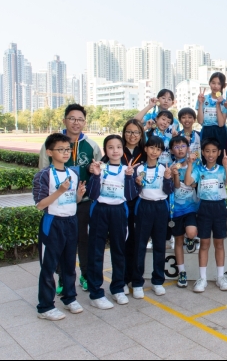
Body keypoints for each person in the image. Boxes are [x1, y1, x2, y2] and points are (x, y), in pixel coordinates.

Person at [38, 104, 102, 294]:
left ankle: (85, 275)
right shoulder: (51, 144)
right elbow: (42, 172)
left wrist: (92, 171)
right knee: (60, 243)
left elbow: (99, 172)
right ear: (64, 120)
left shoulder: (91, 145)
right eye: (72, 118)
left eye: (80, 119)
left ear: (85, 122)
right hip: (58, 203)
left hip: (84, 202)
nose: (76, 122)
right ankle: (62, 278)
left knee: (84, 241)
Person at [34, 133, 86, 321]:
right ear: (49, 152)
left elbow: (74, 201)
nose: (65, 153)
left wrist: (79, 195)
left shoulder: (73, 173)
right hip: (53, 222)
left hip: (71, 221)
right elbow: (40, 205)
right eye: (60, 149)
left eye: (67, 149)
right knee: (49, 266)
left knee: (69, 264)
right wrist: (60, 191)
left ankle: (69, 298)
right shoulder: (44, 175)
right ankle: (45, 307)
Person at [86, 135, 140, 310]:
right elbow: (92, 194)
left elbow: (130, 196)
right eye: (110, 147)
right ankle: (96, 293)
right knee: (96, 252)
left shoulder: (127, 169)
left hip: (119, 212)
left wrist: (130, 177)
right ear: (105, 150)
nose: (115, 150)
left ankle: (117, 287)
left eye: (118, 147)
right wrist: (95, 176)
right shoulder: (100, 168)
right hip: (100, 211)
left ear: (123, 149)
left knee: (119, 251)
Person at [185, 139, 227, 293]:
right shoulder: (199, 169)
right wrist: (190, 164)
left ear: (219, 152)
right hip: (204, 208)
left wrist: (226, 166)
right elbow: (188, 181)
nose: (210, 154)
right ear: (203, 152)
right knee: (204, 244)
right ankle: (202, 279)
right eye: (207, 151)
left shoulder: (222, 169)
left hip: (219, 207)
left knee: (219, 244)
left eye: (214, 151)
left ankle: (220, 277)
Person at [131, 136, 174, 299]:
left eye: (158, 149)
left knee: (159, 245)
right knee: (140, 245)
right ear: (146, 149)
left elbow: (169, 191)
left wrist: (168, 178)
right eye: (152, 148)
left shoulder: (164, 169)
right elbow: (133, 193)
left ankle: (157, 281)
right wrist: (137, 183)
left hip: (160, 207)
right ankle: (137, 283)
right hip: (144, 206)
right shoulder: (138, 168)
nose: (154, 152)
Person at [169, 136, 200, 288]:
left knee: (191, 232)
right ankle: (182, 272)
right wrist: (175, 174)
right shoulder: (170, 166)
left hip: (191, 207)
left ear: (188, 148)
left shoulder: (196, 163)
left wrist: (189, 166)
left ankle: (191, 239)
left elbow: (194, 183)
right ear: (171, 150)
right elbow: (175, 186)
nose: (180, 149)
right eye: (176, 147)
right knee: (178, 241)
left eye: (183, 146)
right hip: (176, 209)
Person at [121, 119, 147, 295]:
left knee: (138, 243)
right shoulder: (116, 150)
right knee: (122, 242)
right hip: (120, 203)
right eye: (129, 132)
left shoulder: (145, 153)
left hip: (139, 203)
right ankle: (122, 279)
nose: (132, 135)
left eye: (136, 132)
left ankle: (136, 281)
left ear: (141, 135)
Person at [197, 72, 227, 165]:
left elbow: (221, 123)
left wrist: (218, 105)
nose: (215, 86)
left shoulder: (225, 102)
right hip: (206, 130)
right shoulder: (203, 99)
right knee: (206, 156)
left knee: (221, 156)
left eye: (219, 83)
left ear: (223, 85)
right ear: (209, 83)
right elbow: (200, 121)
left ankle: (221, 173)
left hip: (220, 131)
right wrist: (200, 103)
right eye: (213, 83)